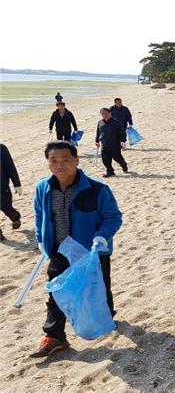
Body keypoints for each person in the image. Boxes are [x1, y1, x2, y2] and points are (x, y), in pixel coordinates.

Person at [31, 141, 122, 357]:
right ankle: (54, 336)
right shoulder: (43, 188)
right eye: (53, 160)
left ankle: (106, 315)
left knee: (99, 288)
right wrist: (41, 239)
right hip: (58, 250)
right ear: (48, 163)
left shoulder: (97, 189)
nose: (59, 165)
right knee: (56, 291)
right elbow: (39, 215)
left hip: (90, 252)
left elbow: (113, 217)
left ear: (76, 160)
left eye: (65, 159)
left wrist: (101, 236)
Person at [95, 108, 128, 178]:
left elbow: (122, 133)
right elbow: (98, 132)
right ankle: (110, 172)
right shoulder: (100, 122)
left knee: (117, 158)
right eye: (103, 114)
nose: (105, 115)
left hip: (114, 144)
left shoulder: (116, 122)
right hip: (104, 144)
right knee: (105, 160)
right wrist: (97, 141)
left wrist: (123, 141)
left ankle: (124, 165)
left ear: (110, 113)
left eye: (106, 113)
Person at [0, 143, 23, 241]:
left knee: (6, 207)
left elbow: (10, 166)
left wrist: (17, 184)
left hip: (2, 186)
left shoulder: (1, 148)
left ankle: (15, 217)